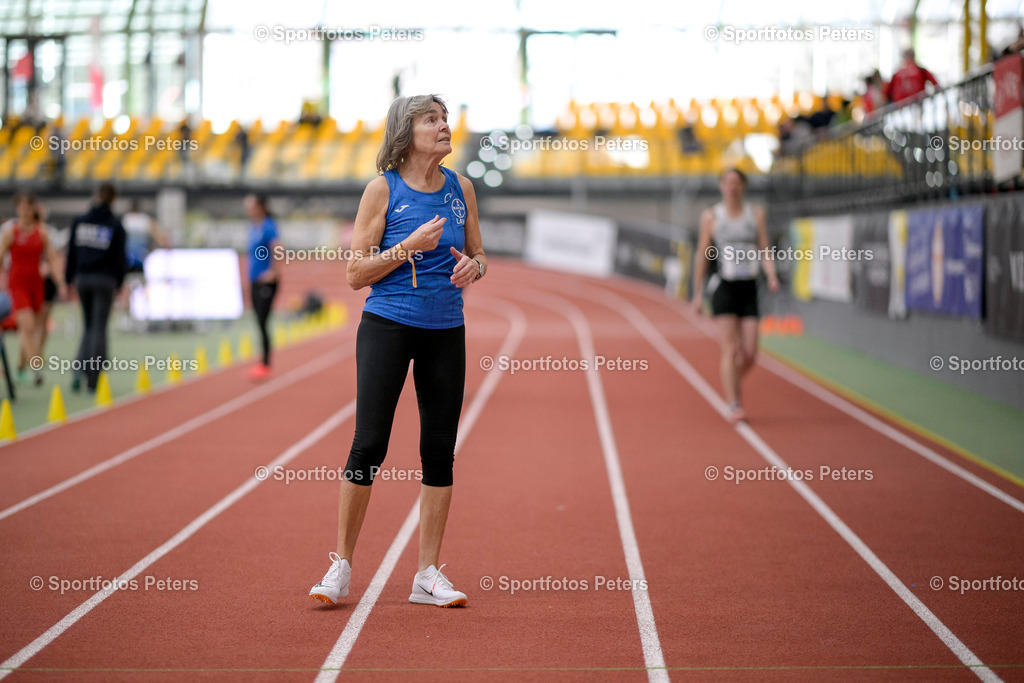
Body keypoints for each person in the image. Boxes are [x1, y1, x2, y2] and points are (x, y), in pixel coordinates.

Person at [309, 94, 487, 608]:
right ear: (406, 134)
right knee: (369, 444)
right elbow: (353, 274)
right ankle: (341, 566)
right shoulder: (381, 190)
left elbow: (479, 254)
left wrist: (473, 268)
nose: (445, 126)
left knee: (439, 449)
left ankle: (427, 574)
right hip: (388, 323)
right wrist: (407, 247)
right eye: (432, 119)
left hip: (446, 328)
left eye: (446, 117)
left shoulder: (462, 189)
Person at [691, 168, 779, 424]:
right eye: (727, 183)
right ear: (721, 187)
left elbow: (764, 247)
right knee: (729, 348)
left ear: (743, 186)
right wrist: (697, 293)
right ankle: (734, 403)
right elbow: (702, 253)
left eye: (736, 183)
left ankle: (731, 381)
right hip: (724, 287)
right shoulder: (711, 216)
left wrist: (771, 275)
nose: (731, 187)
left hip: (748, 286)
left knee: (750, 352)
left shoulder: (755, 213)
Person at [65, 183, 127, 393]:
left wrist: (67, 280)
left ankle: (77, 370)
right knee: (99, 328)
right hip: (105, 280)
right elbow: (120, 259)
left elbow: (71, 253)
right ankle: (93, 378)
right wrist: (119, 282)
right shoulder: (115, 224)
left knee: (89, 325)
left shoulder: (80, 221)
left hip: (82, 279)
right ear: (113, 199)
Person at [0, 192, 66, 386]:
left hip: (36, 285)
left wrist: (60, 281)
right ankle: (36, 368)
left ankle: (21, 366)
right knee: (27, 326)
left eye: (29, 207)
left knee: (33, 329)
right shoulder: (11, 232)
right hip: (18, 284)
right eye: (22, 207)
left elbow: (53, 258)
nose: (26, 211)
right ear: (17, 209)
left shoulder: (42, 232)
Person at [244, 194, 281, 379]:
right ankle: (263, 362)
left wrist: (273, 272)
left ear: (260, 207)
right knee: (259, 321)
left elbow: (278, 248)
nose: (247, 210)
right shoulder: (253, 227)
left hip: (266, 282)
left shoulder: (268, 225)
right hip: (254, 280)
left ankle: (265, 363)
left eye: (250, 207)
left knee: (262, 321)